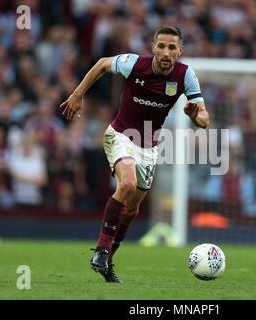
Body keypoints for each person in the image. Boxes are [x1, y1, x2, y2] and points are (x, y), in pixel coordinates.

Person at [59, 25, 209, 284]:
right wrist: (77, 93)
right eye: (161, 46)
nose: (165, 51)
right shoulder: (134, 64)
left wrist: (196, 115)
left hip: (148, 147)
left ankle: (106, 263)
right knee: (126, 183)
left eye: (172, 47)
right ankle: (102, 249)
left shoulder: (186, 76)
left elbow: (205, 120)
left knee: (132, 211)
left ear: (180, 51)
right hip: (120, 135)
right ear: (153, 48)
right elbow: (102, 64)